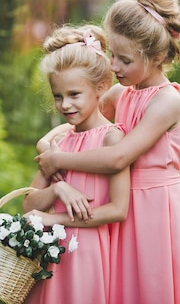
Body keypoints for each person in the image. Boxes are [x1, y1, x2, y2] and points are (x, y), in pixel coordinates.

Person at [35, 0, 180, 304]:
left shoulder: (168, 100)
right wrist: (48, 150)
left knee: (154, 287)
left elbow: (117, 159)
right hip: (122, 203)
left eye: (124, 60)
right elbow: (71, 131)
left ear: (156, 56)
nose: (114, 67)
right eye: (113, 55)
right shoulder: (120, 94)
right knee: (124, 290)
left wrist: (58, 161)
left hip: (157, 208)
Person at [22, 24, 130, 304]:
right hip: (51, 251)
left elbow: (117, 209)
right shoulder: (60, 140)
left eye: (74, 95)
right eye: (58, 96)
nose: (65, 105)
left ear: (100, 88)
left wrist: (56, 219)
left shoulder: (111, 138)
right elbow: (29, 206)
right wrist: (59, 191)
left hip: (87, 249)